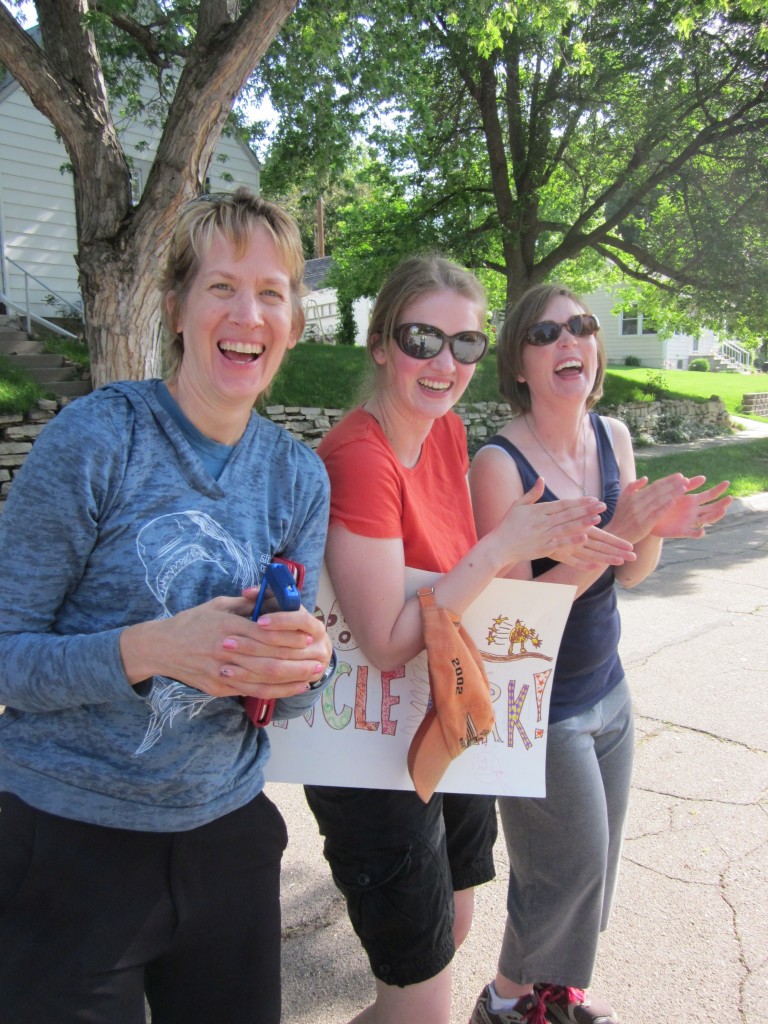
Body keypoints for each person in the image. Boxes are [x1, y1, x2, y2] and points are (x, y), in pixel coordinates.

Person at [0, 189, 334, 1024]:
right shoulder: (96, 438)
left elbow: (280, 697)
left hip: (227, 840)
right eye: (220, 286)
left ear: (293, 321)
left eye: (271, 292)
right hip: (64, 841)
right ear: (176, 308)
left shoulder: (298, 478)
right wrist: (150, 651)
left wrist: (304, 668)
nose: (246, 312)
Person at [303, 257, 635, 1024]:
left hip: (442, 719)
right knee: (421, 1001)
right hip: (372, 755)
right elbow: (386, 641)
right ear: (381, 343)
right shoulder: (362, 456)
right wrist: (503, 545)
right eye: (423, 338)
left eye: (466, 343)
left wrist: (588, 546)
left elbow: (468, 598)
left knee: (448, 936)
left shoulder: (446, 432)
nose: (445, 362)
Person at [467, 283, 732, 1024]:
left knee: (586, 869)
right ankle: (508, 1000)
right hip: (536, 708)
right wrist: (621, 522)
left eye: (580, 327)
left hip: (608, 691)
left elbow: (635, 573)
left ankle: (532, 998)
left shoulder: (613, 436)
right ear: (519, 363)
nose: (568, 342)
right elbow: (519, 621)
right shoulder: (498, 466)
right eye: (545, 333)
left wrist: (654, 530)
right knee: (570, 867)